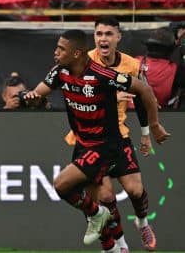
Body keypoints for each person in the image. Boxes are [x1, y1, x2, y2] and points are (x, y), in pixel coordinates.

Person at [24, 29, 169, 252]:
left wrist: (154, 126)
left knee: (122, 192)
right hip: (84, 144)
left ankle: (136, 223)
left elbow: (144, 90)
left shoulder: (103, 75)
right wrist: (30, 98)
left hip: (107, 145)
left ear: (76, 53)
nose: (55, 52)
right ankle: (114, 247)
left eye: (61, 49)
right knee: (96, 201)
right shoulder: (59, 72)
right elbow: (38, 94)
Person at [62, 17, 156, 252]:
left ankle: (142, 222)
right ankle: (121, 245)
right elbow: (72, 91)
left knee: (135, 190)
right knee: (104, 197)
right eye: (99, 34)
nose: (103, 38)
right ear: (94, 37)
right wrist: (111, 97)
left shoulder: (131, 65)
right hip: (89, 140)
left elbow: (144, 99)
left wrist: (146, 133)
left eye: (108, 34)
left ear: (118, 37)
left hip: (118, 137)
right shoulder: (82, 61)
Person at [138, 27, 185, 109]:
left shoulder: (134, 61)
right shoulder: (176, 71)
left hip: (130, 115)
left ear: (148, 46)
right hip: (162, 117)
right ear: (170, 49)